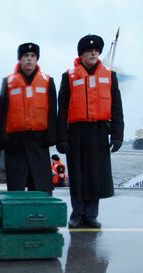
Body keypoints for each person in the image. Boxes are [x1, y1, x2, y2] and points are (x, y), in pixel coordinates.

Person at [57, 34, 124, 229]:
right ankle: (77, 213)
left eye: (96, 50)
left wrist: (118, 135)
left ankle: (91, 215)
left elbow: (117, 107)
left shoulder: (110, 76)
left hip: (99, 131)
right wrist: (62, 137)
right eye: (89, 50)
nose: (93, 53)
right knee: (77, 175)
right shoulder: (69, 76)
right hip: (76, 132)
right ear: (81, 54)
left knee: (96, 174)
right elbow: (63, 109)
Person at [0, 43, 57, 192]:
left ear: (37, 59)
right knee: (16, 184)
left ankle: (40, 212)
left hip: (39, 140)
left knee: (40, 183)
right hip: (15, 141)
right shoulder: (8, 82)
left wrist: (51, 136)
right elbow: (1, 111)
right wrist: (1, 136)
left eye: (32, 56)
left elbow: (52, 110)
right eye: (25, 56)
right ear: (20, 59)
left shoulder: (48, 81)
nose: (29, 59)